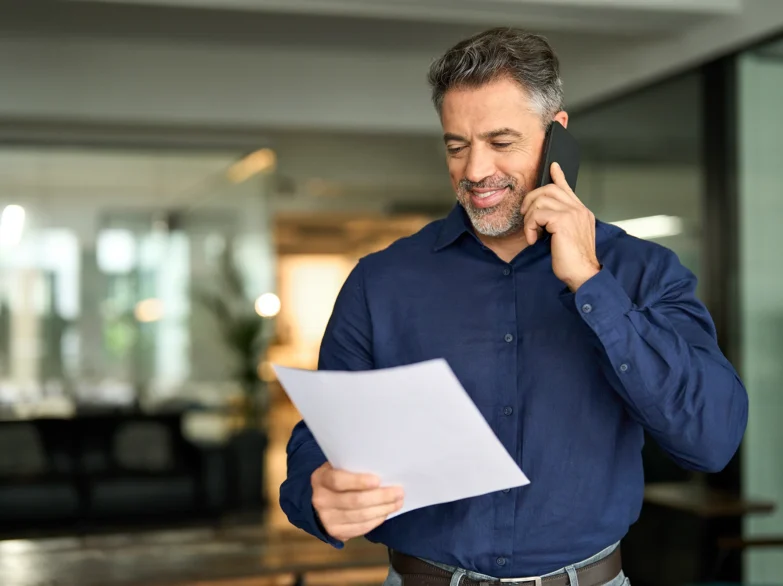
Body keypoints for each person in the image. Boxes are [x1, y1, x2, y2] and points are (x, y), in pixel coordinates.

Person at [279, 27, 748, 586]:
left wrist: (591, 283)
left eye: (501, 142)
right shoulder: (380, 282)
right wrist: (318, 492)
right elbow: (323, 434)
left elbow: (711, 439)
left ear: (556, 136)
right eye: (457, 146)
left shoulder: (644, 272)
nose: (475, 171)